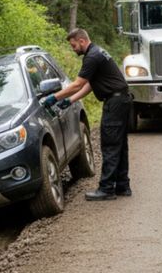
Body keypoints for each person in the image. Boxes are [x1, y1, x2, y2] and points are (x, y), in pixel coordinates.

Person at [41, 28, 132, 200]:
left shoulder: (92, 56)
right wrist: (70, 100)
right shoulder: (97, 52)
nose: (73, 49)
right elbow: (91, 83)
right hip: (120, 100)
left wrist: (54, 98)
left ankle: (106, 189)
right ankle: (122, 186)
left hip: (115, 102)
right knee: (119, 145)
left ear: (82, 41)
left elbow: (77, 84)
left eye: (73, 45)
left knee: (111, 145)